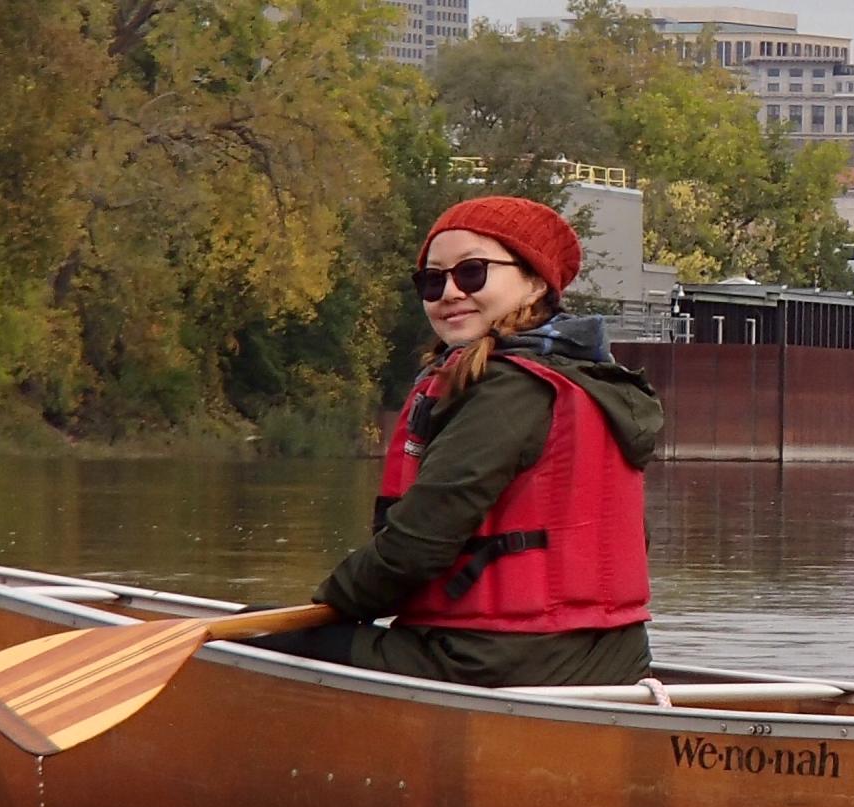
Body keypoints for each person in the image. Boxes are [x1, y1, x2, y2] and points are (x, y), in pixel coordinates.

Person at [252, 195, 663, 687]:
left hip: (494, 661)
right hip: (614, 659)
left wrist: (326, 607)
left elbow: (419, 543)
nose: (447, 292)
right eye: (431, 279)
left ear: (534, 282)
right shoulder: (588, 380)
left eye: (472, 272)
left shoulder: (510, 391)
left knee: (258, 634)